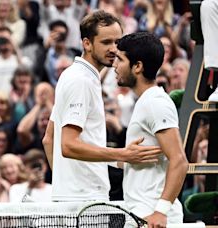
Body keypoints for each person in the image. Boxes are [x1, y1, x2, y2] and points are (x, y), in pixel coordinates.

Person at [42, 10, 162, 202]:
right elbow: (68, 145)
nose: (114, 49)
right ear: (87, 43)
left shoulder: (74, 75)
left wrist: (65, 186)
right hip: (85, 200)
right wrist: (123, 154)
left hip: (75, 197)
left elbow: (49, 139)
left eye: (117, 42)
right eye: (106, 42)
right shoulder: (81, 80)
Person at [113, 32, 189, 226]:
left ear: (137, 66)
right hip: (142, 215)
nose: (114, 65)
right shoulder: (146, 102)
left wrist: (160, 212)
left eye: (120, 59)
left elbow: (179, 160)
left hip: (154, 218)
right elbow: (141, 160)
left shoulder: (155, 103)